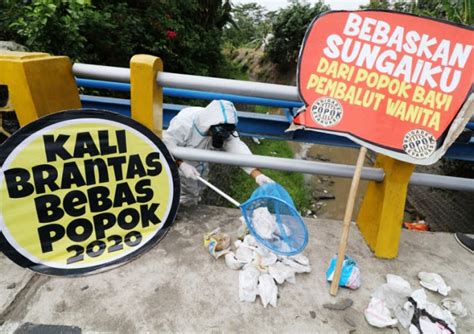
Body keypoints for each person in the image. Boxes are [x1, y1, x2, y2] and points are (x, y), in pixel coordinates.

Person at [163, 99, 274, 206]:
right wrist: (180, 164)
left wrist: (257, 175)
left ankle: (192, 205)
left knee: (198, 189)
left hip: (201, 165)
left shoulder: (224, 124)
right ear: (209, 125)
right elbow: (166, 146)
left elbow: (238, 150)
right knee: (182, 192)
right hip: (181, 165)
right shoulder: (184, 124)